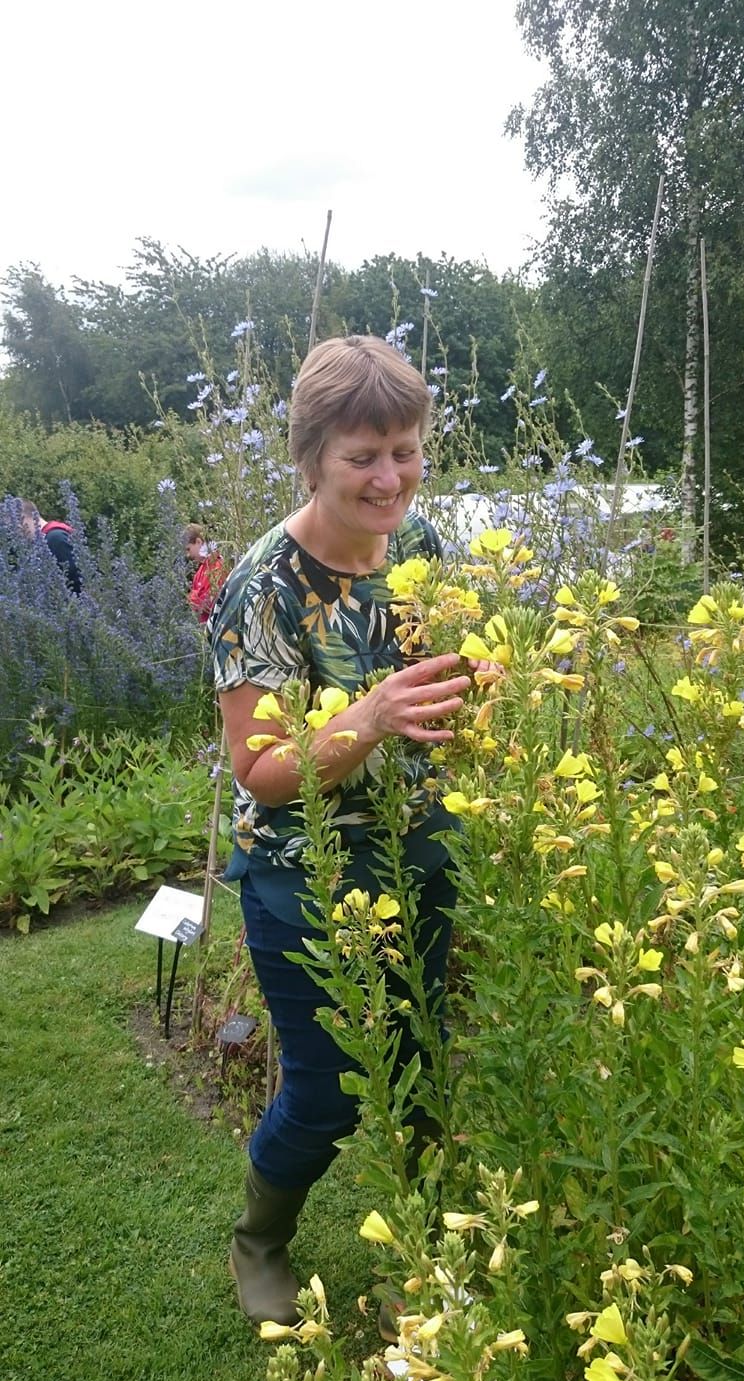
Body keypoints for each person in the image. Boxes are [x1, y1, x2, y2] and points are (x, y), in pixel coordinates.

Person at [208, 335, 471, 1330]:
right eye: (362, 455)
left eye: (404, 448)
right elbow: (263, 774)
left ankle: (424, 1236)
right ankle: (258, 1239)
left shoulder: (422, 549)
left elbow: (431, 681)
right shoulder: (262, 590)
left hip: (418, 850)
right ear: (312, 454)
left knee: (421, 1059)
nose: (389, 476)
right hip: (302, 872)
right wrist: (370, 715)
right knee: (324, 1091)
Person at [19, 499, 81, 594]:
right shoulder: (44, 541)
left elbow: (77, 581)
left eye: (12, 526)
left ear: (22, 519)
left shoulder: (55, 538)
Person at [183, 523, 224, 623]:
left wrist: (196, 598)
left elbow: (210, 602)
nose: (188, 555)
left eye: (188, 549)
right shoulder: (200, 571)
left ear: (198, 542)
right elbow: (192, 601)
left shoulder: (218, 566)